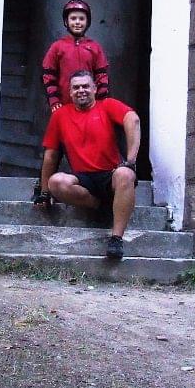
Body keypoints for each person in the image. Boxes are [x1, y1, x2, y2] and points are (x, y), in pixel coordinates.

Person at [33, 70, 140, 260]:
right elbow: (51, 154)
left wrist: (130, 162)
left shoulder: (106, 105)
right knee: (56, 182)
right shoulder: (60, 115)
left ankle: (116, 239)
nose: (81, 90)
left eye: (85, 86)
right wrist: (44, 192)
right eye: (76, 87)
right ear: (70, 92)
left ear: (95, 89)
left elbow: (133, 119)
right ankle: (101, 206)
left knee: (125, 174)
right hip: (83, 179)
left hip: (110, 175)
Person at [41, 0, 110, 112]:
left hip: (90, 107)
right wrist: (54, 101)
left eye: (81, 19)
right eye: (73, 18)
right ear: (66, 22)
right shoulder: (57, 47)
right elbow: (48, 76)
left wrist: (101, 101)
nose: (77, 22)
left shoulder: (95, 47)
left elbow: (101, 77)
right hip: (64, 106)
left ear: (87, 22)